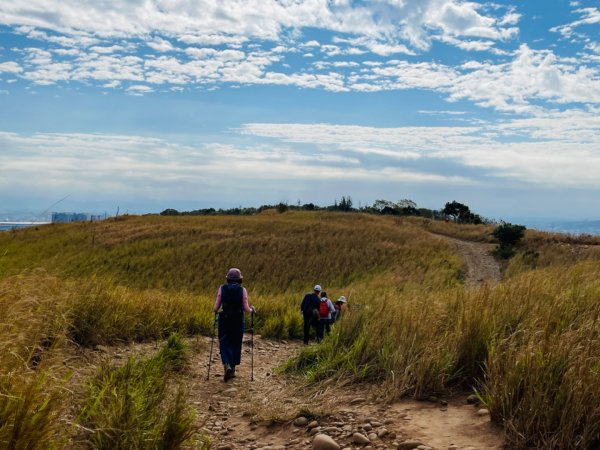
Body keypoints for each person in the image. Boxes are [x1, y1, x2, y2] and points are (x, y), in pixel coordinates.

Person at [214, 267, 255, 382]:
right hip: (238, 319)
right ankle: (232, 369)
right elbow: (246, 308)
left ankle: (226, 364)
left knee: (224, 341)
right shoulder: (243, 290)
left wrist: (216, 310)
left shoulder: (222, 288)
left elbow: (216, 307)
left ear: (228, 279)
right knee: (236, 342)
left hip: (224, 319)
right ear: (239, 280)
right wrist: (252, 310)